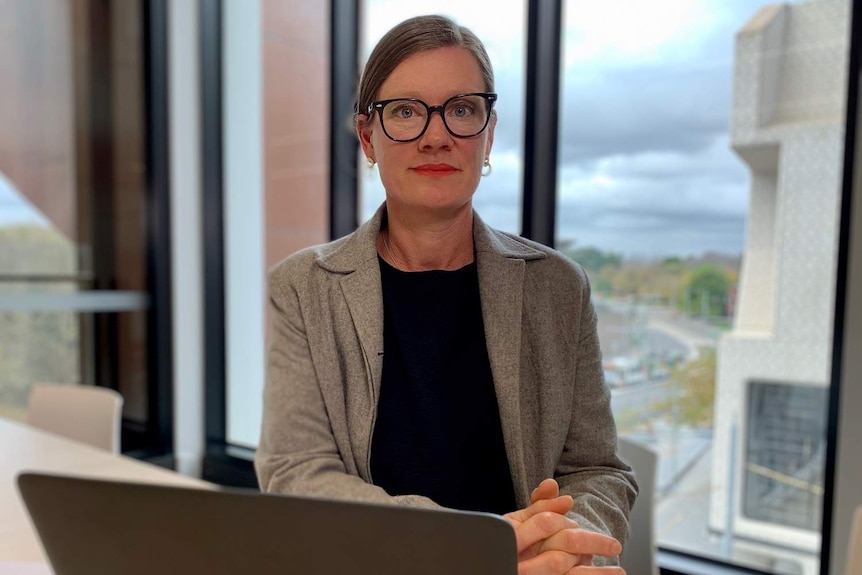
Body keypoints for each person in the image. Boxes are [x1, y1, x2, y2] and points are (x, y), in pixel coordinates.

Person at [255, 14, 637, 574]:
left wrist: (563, 545)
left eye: (461, 110)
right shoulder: (302, 287)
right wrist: (466, 547)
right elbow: (295, 472)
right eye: (406, 111)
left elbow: (597, 470)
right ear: (368, 137)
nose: (437, 135)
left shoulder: (558, 286)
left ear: (487, 132)